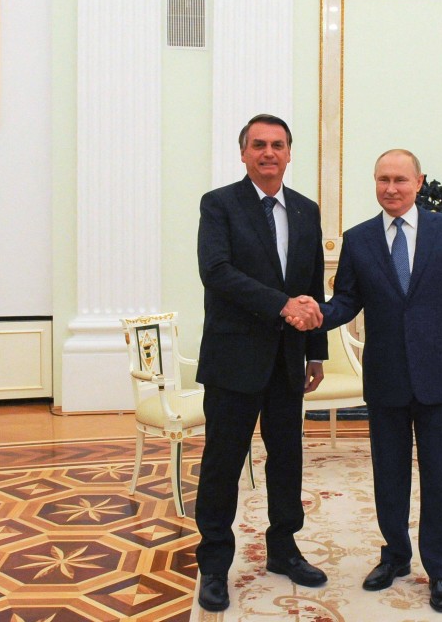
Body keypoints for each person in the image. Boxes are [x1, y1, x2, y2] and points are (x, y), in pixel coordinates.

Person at [291, 148, 442, 613]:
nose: (391, 188)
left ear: (418, 182)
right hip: (386, 378)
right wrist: (314, 313)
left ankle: (440, 570)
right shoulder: (358, 240)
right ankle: (396, 555)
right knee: (390, 476)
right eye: (383, 180)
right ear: (375, 183)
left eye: (400, 179)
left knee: (440, 477)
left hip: (441, 376)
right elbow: (346, 302)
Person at [193, 114, 329, 613]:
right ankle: (213, 563)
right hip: (233, 359)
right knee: (222, 464)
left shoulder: (307, 210)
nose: (268, 153)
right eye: (258, 145)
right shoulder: (220, 205)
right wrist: (281, 305)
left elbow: (312, 280)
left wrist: (316, 350)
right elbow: (217, 272)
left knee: (287, 460)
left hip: (289, 360)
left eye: (277, 145)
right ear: (244, 153)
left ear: (290, 153)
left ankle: (284, 549)